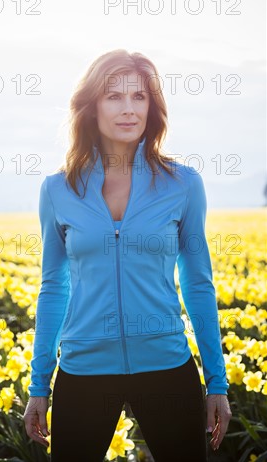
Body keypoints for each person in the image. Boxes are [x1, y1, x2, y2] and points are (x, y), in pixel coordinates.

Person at [23, 49, 232, 461]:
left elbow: (197, 283)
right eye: (113, 96)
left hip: (167, 367)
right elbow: (53, 288)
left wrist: (217, 383)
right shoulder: (57, 189)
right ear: (91, 105)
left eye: (139, 97)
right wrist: (39, 387)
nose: (129, 109)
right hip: (84, 371)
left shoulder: (183, 184)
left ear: (152, 106)